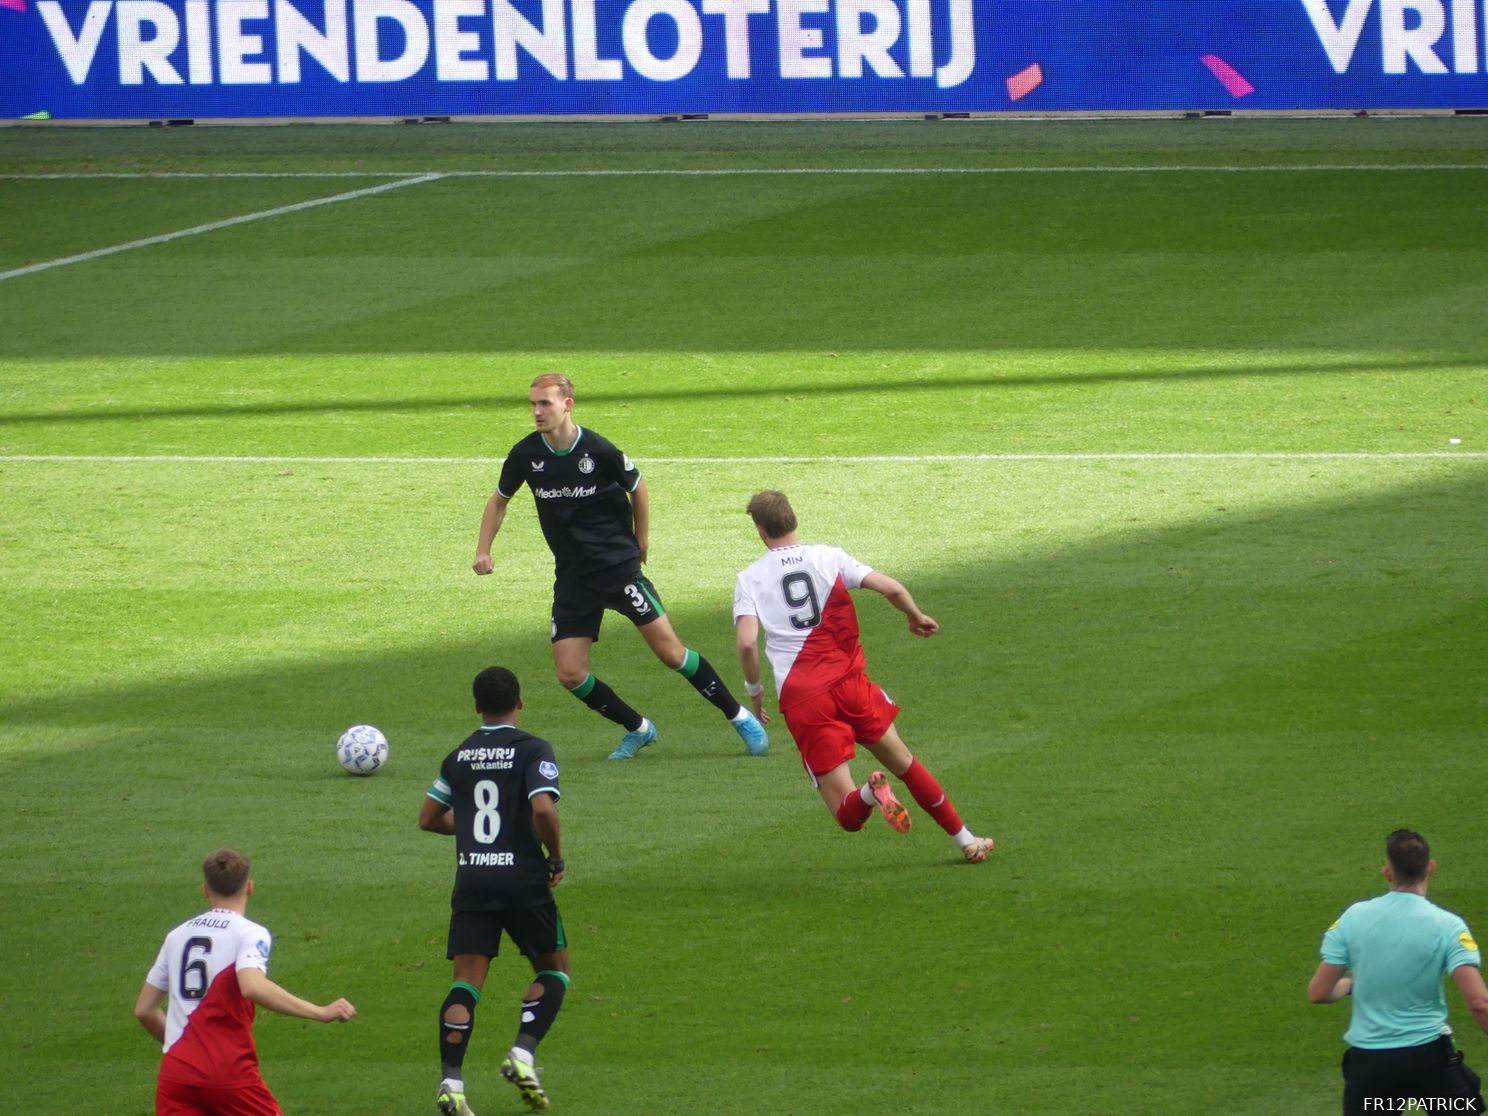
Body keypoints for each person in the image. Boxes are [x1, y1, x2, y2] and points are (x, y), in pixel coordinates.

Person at [473, 372, 768, 761]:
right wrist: (483, 550)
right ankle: (638, 728)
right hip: (574, 578)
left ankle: (739, 716)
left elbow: (638, 487)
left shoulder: (597, 450)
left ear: (567, 405)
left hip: (618, 570)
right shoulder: (526, 455)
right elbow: (499, 500)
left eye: (545, 403)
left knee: (671, 654)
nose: (537, 411)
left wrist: (641, 541)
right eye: (533, 404)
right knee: (570, 674)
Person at [732, 490, 995, 863]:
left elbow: (746, 644)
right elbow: (891, 587)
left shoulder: (749, 578)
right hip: (851, 684)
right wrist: (914, 616)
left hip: (805, 698)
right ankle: (966, 839)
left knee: (846, 814)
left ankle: (871, 794)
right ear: (794, 520)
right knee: (906, 762)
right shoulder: (829, 557)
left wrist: (754, 691)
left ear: (760, 530)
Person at [419, 667, 570, 1114]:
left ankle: (452, 1084)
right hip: (523, 878)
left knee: (466, 983)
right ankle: (522, 1054)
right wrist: (555, 855)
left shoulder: (458, 756)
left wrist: (469, 832)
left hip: (473, 879)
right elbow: (542, 808)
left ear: (476, 706)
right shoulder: (532, 749)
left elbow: (428, 818)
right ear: (520, 702)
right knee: (554, 971)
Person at [133, 849, 357, 1116]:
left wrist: (186, 1051)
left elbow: (144, 1010)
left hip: (176, 1074)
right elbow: (252, 986)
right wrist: (319, 1012)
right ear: (249, 887)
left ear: (205, 889)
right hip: (228, 1073)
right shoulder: (248, 933)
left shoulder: (176, 936)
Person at [1308, 829, 1488, 1116]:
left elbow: (1318, 992)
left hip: (1371, 1069)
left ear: (1387, 872)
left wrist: (1351, 984)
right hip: (1429, 1063)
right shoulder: (1448, 925)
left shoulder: (1352, 918)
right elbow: (1479, 1003)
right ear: (1431, 867)